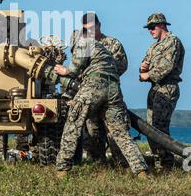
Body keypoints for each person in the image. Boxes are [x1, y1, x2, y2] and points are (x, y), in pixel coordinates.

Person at [54, 14, 148, 178]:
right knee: (121, 133)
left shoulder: (84, 43)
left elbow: (74, 70)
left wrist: (63, 70)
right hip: (113, 89)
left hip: (93, 86)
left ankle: (62, 169)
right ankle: (141, 171)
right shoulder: (103, 49)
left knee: (73, 123)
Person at [75, 13, 128, 163]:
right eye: (86, 29)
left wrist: (100, 74)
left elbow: (122, 66)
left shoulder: (112, 43)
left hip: (109, 93)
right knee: (92, 131)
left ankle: (121, 164)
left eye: (92, 27)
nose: (90, 31)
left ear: (99, 25)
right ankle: (97, 164)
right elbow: (77, 68)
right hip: (89, 94)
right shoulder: (83, 45)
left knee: (115, 132)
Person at [140, 13, 185, 170]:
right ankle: (159, 162)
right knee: (151, 128)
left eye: (152, 27)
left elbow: (165, 68)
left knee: (159, 127)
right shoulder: (153, 47)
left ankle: (167, 165)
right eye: (149, 28)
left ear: (162, 25)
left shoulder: (172, 42)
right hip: (155, 89)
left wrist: (147, 74)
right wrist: (143, 70)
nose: (150, 31)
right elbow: (142, 67)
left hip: (167, 88)